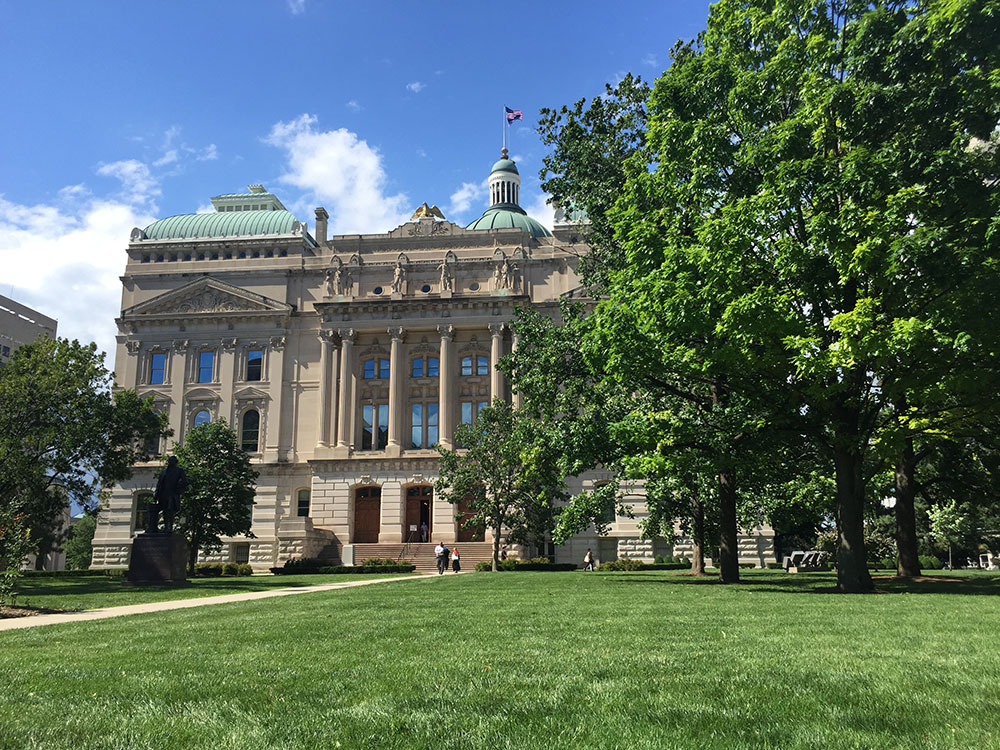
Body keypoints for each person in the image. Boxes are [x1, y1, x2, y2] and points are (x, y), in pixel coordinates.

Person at [150, 455, 188, 534]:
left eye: (172, 460)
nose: (170, 462)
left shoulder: (179, 470)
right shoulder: (164, 471)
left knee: (170, 511)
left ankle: (169, 527)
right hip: (163, 494)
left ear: (175, 462)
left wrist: (178, 489)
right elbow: (160, 483)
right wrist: (156, 494)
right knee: (164, 511)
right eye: (169, 460)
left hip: (172, 493)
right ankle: (164, 527)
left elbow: (184, 481)